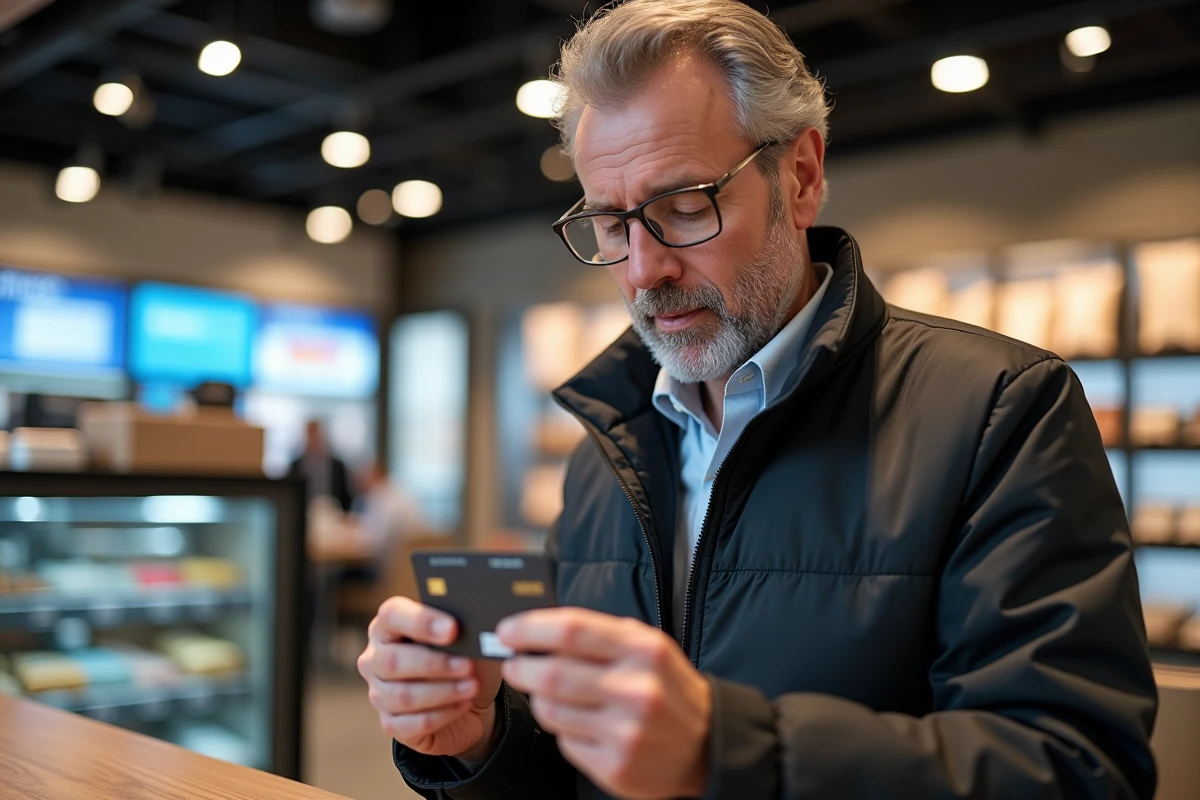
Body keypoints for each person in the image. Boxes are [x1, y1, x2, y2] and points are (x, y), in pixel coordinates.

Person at [358, 2, 1158, 798]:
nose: (643, 271)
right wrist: (481, 743)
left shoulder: (1001, 412)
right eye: (611, 224)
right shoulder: (607, 444)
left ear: (801, 177)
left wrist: (729, 751)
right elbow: (579, 771)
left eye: (683, 207)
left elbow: (1078, 769)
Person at [288, 419, 354, 512]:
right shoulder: (296, 465)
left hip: (332, 515)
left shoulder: (337, 466)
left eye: (316, 434)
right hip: (304, 514)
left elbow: (346, 495)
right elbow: (291, 496)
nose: (314, 438)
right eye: (311, 434)